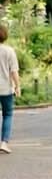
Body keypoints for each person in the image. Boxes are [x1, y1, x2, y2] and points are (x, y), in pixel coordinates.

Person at [0, 25, 21, 155]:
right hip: (5, 89)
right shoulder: (9, 51)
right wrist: (17, 86)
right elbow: (14, 71)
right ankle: (4, 143)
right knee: (7, 115)